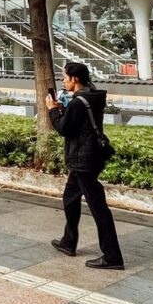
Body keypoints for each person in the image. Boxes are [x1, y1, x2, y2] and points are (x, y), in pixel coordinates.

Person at [46, 61, 124, 271]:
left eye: (65, 78)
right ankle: (68, 242)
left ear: (75, 79)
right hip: (88, 157)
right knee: (70, 198)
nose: (63, 81)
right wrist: (65, 109)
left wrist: (53, 110)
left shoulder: (79, 102)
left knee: (99, 209)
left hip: (83, 160)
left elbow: (64, 129)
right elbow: (78, 123)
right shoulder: (91, 96)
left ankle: (112, 256)